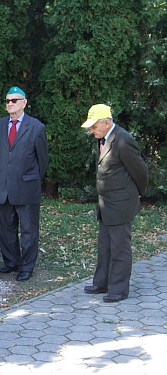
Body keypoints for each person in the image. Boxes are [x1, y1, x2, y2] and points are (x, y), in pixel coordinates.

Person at [81, 104, 148, 303]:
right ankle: (102, 283)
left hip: (121, 204)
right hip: (105, 203)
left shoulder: (123, 139)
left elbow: (141, 171)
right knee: (105, 245)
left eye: (94, 126)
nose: (91, 131)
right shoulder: (102, 138)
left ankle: (118, 289)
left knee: (120, 247)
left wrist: (135, 195)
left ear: (107, 122)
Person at [0, 86, 49, 282]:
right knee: (5, 228)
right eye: (7, 101)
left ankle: (26, 267)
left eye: (14, 100)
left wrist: (30, 179)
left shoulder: (36, 127)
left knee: (28, 230)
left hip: (26, 188)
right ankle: (11, 262)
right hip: (4, 188)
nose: (10, 104)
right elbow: (1, 156)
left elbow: (43, 161)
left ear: (24, 103)